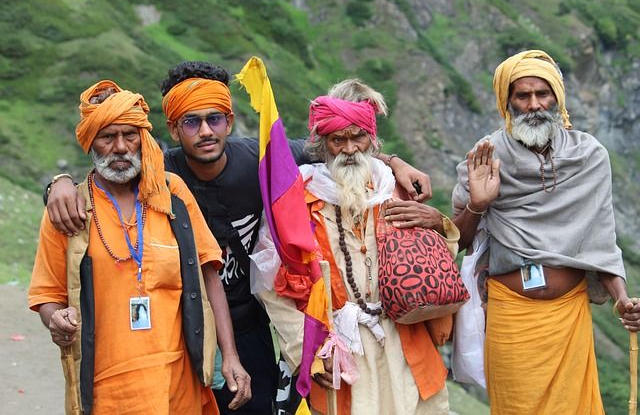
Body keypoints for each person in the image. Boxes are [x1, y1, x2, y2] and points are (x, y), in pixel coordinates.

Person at [44, 62, 434, 414]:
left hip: (251, 326)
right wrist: (58, 184)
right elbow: (112, 163)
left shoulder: (262, 161)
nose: (206, 131)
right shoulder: (161, 175)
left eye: (214, 119)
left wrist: (395, 163)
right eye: (191, 122)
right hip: (186, 330)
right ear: (174, 129)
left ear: (229, 121)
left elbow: (338, 148)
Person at [28, 80, 250, 414]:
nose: (120, 147)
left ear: (142, 139)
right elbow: (46, 296)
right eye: (107, 137)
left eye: (129, 135)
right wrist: (55, 318)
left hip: (179, 386)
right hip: (108, 393)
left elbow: (209, 276)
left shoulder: (171, 193)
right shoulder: (70, 211)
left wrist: (230, 356)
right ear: (91, 142)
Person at [451, 49, 640, 414]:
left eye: (543, 94)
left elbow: (600, 240)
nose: (534, 104)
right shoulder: (487, 156)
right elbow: (459, 241)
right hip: (511, 316)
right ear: (507, 103)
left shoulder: (589, 156)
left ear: (558, 98)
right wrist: (478, 204)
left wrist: (622, 299)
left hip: (569, 317)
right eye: (523, 96)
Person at [253, 79, 458, 414]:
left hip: (404, 345)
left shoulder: (396, 189)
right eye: (338, 139)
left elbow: (438, 270)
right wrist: (309, 353)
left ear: (371, 139)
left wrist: (438, 224)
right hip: (338, 351)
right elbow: (273, 289)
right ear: (323, 143)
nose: (349, 149)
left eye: (357, 137)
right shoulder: (296, 200)